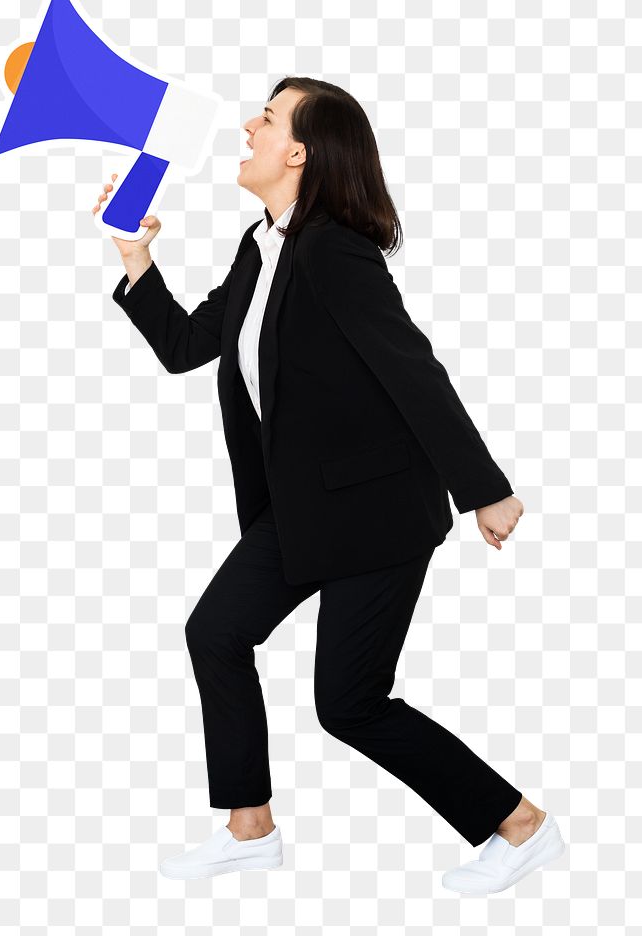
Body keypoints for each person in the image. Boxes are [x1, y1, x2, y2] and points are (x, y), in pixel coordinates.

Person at [94, 77, 565, 893]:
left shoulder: (333, 248)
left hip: (379, 514)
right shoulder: (262, 244)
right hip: (305, 508)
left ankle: (519, 826)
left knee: (348, 704)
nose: (248, 125)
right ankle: (249, 828)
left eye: (267, 118)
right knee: (216, 633)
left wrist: (484, 488)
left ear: (300, 152)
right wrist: (137, 260)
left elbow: (412, 370)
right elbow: (186, 346)